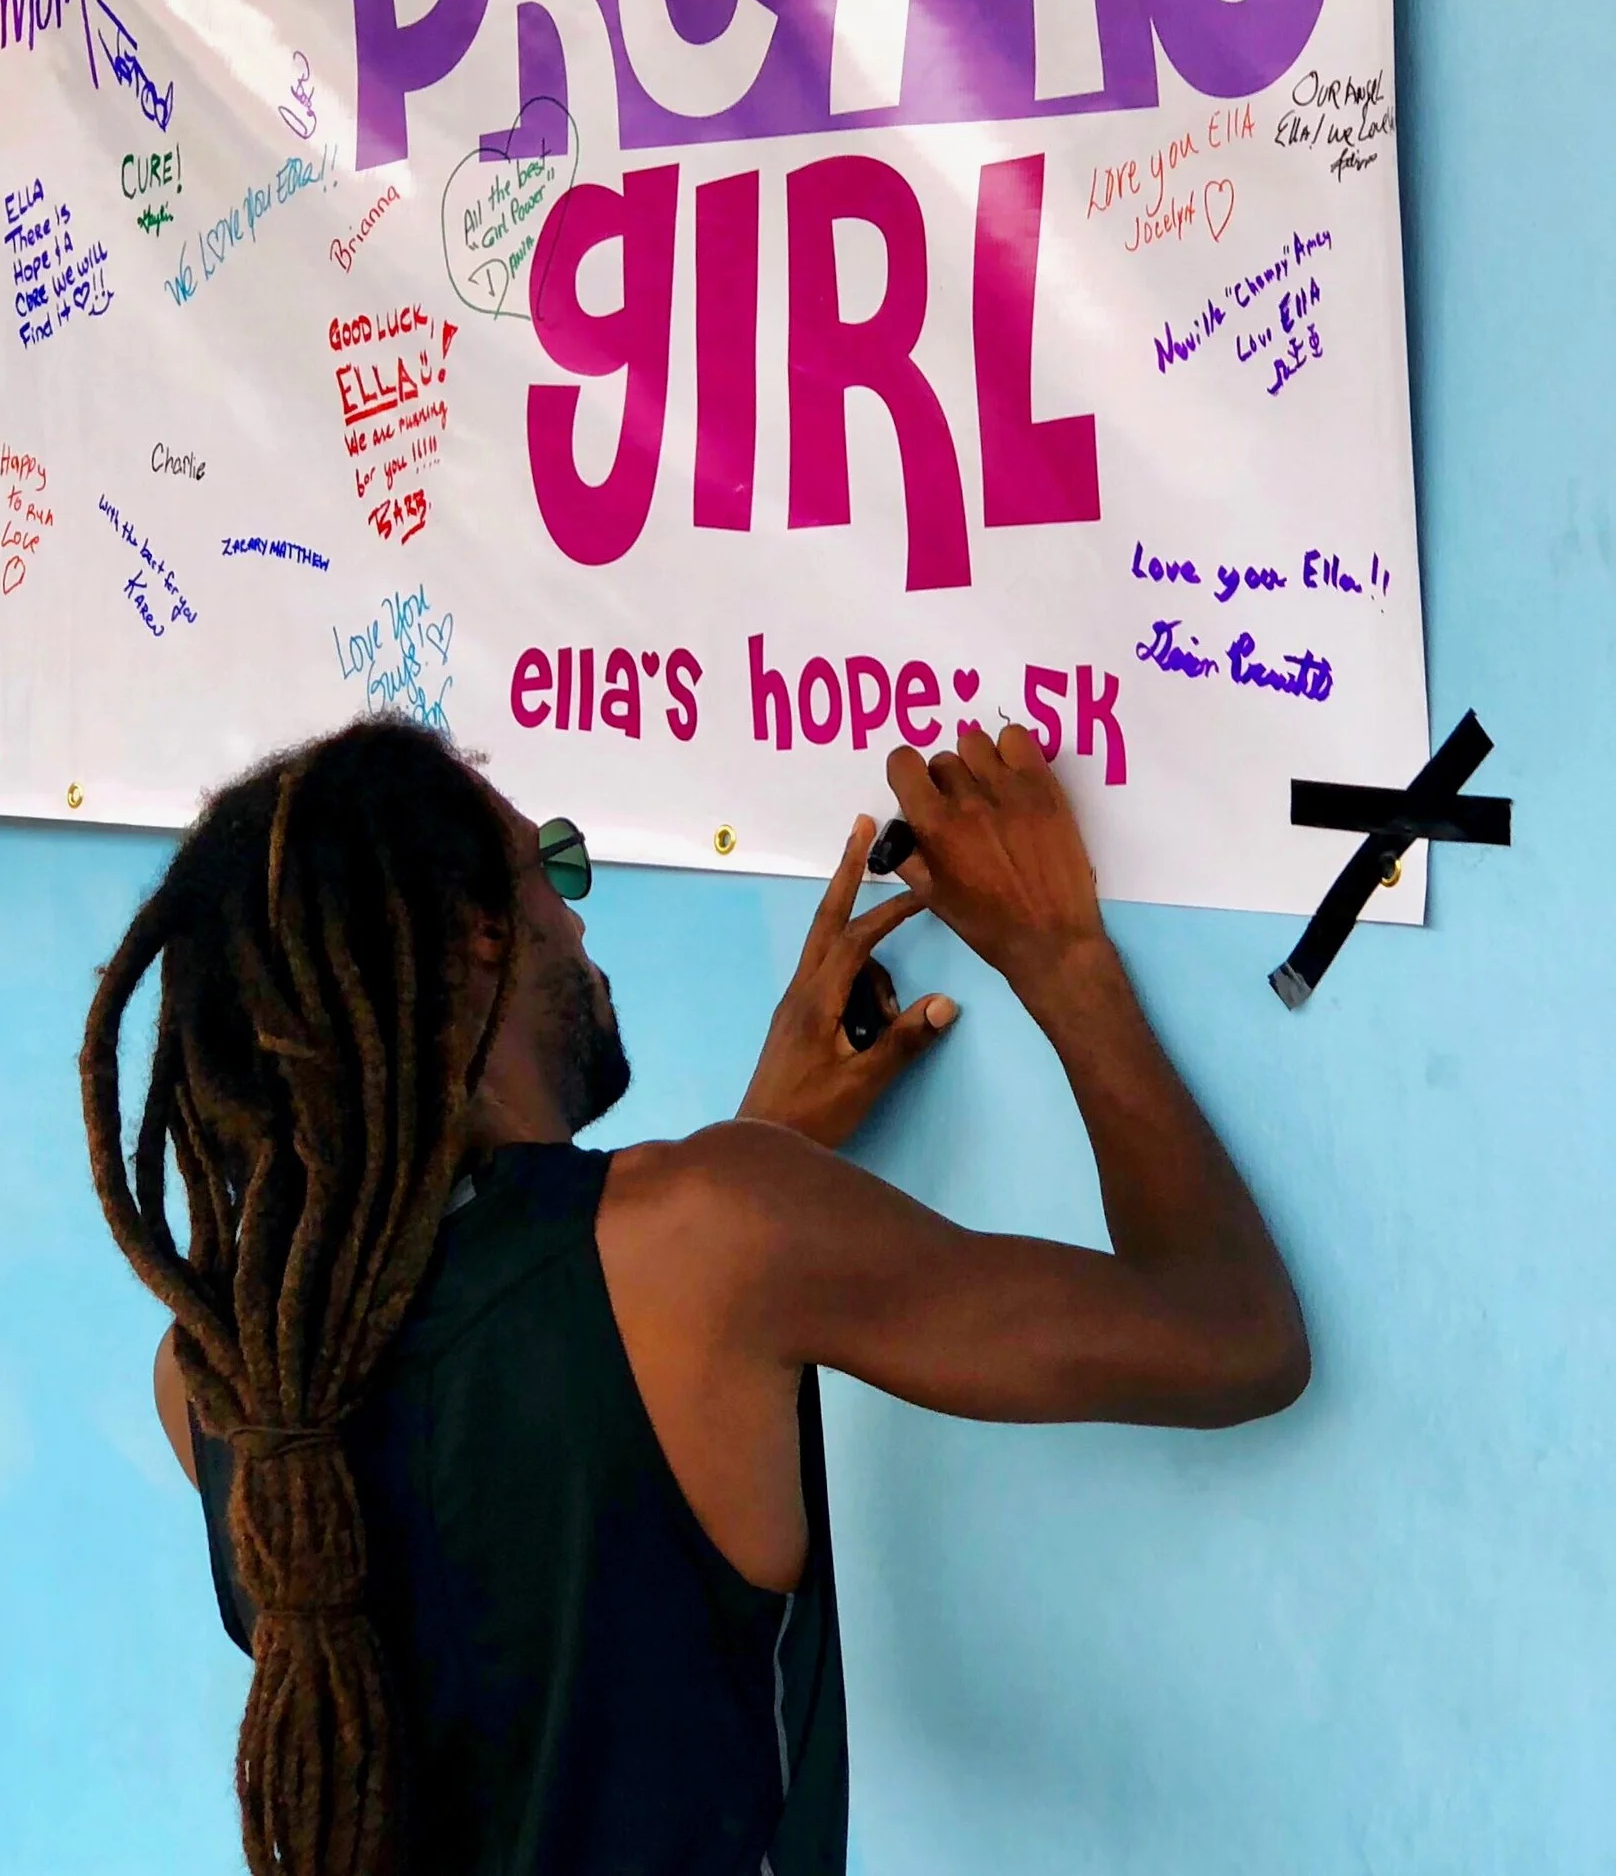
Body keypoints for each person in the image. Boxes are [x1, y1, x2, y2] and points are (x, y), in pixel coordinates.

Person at [79, 715, 1308, 1876]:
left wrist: (761, 1144)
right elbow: (1235, 1334)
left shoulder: (217, 1380)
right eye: (552, 868)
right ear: (483, 931)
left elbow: (530, 1512)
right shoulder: (713, 1237)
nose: (576, 919)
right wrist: (1061, 953)